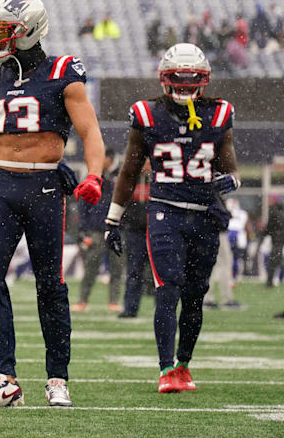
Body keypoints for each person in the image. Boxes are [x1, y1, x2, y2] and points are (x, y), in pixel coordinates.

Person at [0, 0, 106, 408]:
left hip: (45, 189)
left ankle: (57, 378)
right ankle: (4, 378)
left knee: (50, 286)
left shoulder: (62, 71)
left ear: (29, 31)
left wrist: (94, 176)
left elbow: (90, 132)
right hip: (2, 187)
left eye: (4, 30)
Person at [103, 43, 241, 394]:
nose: (183, 84)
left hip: (204, 216)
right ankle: (165, 369)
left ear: (204, 79)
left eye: (190, 78)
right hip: (165, 213)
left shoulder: (218, 114)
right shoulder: (147, 115)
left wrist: (232, 180)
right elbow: (130, 170)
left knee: (195, 295)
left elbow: (230, 166)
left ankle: (183, 365)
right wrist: (113, 218)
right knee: (168, 289)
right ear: (164, 79)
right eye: (177, 78)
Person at [72, 148, 123, 312]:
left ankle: (114, 301)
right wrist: (84, 230)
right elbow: (84, 204)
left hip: (116, 228)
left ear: (110, 158)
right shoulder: (94, 177)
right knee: (90, 268)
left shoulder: (121, 175)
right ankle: (82, 300)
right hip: (96, 229)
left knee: (117, 267)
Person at [118, 191, 151, 319]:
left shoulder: (158, 176)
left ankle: (164, 309)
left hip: (156, 229)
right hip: (135, 231)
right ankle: (130, 308)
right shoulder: (132, 176)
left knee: (162, 273)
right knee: (134, 271)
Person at [264, 195, 284, 288]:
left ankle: (270, 281)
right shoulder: (281, 210)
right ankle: (277, 279)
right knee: (278, 259)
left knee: (274, 260)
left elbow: (270, 226)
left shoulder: (273, 210)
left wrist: (264, 234)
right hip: (279, 238)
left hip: (277, 239)